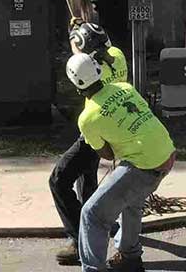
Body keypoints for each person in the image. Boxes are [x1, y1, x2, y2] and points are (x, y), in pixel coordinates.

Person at [66, 53, 176, 272]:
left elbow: (106, 154)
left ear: (76, 86)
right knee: (131, 200)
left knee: (92, 213)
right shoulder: (124, 87)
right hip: (167, 153)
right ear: (98, 71)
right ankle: (130, 258)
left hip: (143, 165)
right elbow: (143, 115)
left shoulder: (87, 118)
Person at [50, 22, 128, 266]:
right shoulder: (117, 55)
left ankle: (78, 240)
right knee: (87, 182)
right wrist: (82, 27)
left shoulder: (93, 71)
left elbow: (79, 62)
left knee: (58, 180)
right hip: (112, 125)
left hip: (95, 129)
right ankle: (96, 229)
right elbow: (90, 52)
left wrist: (75, 38)